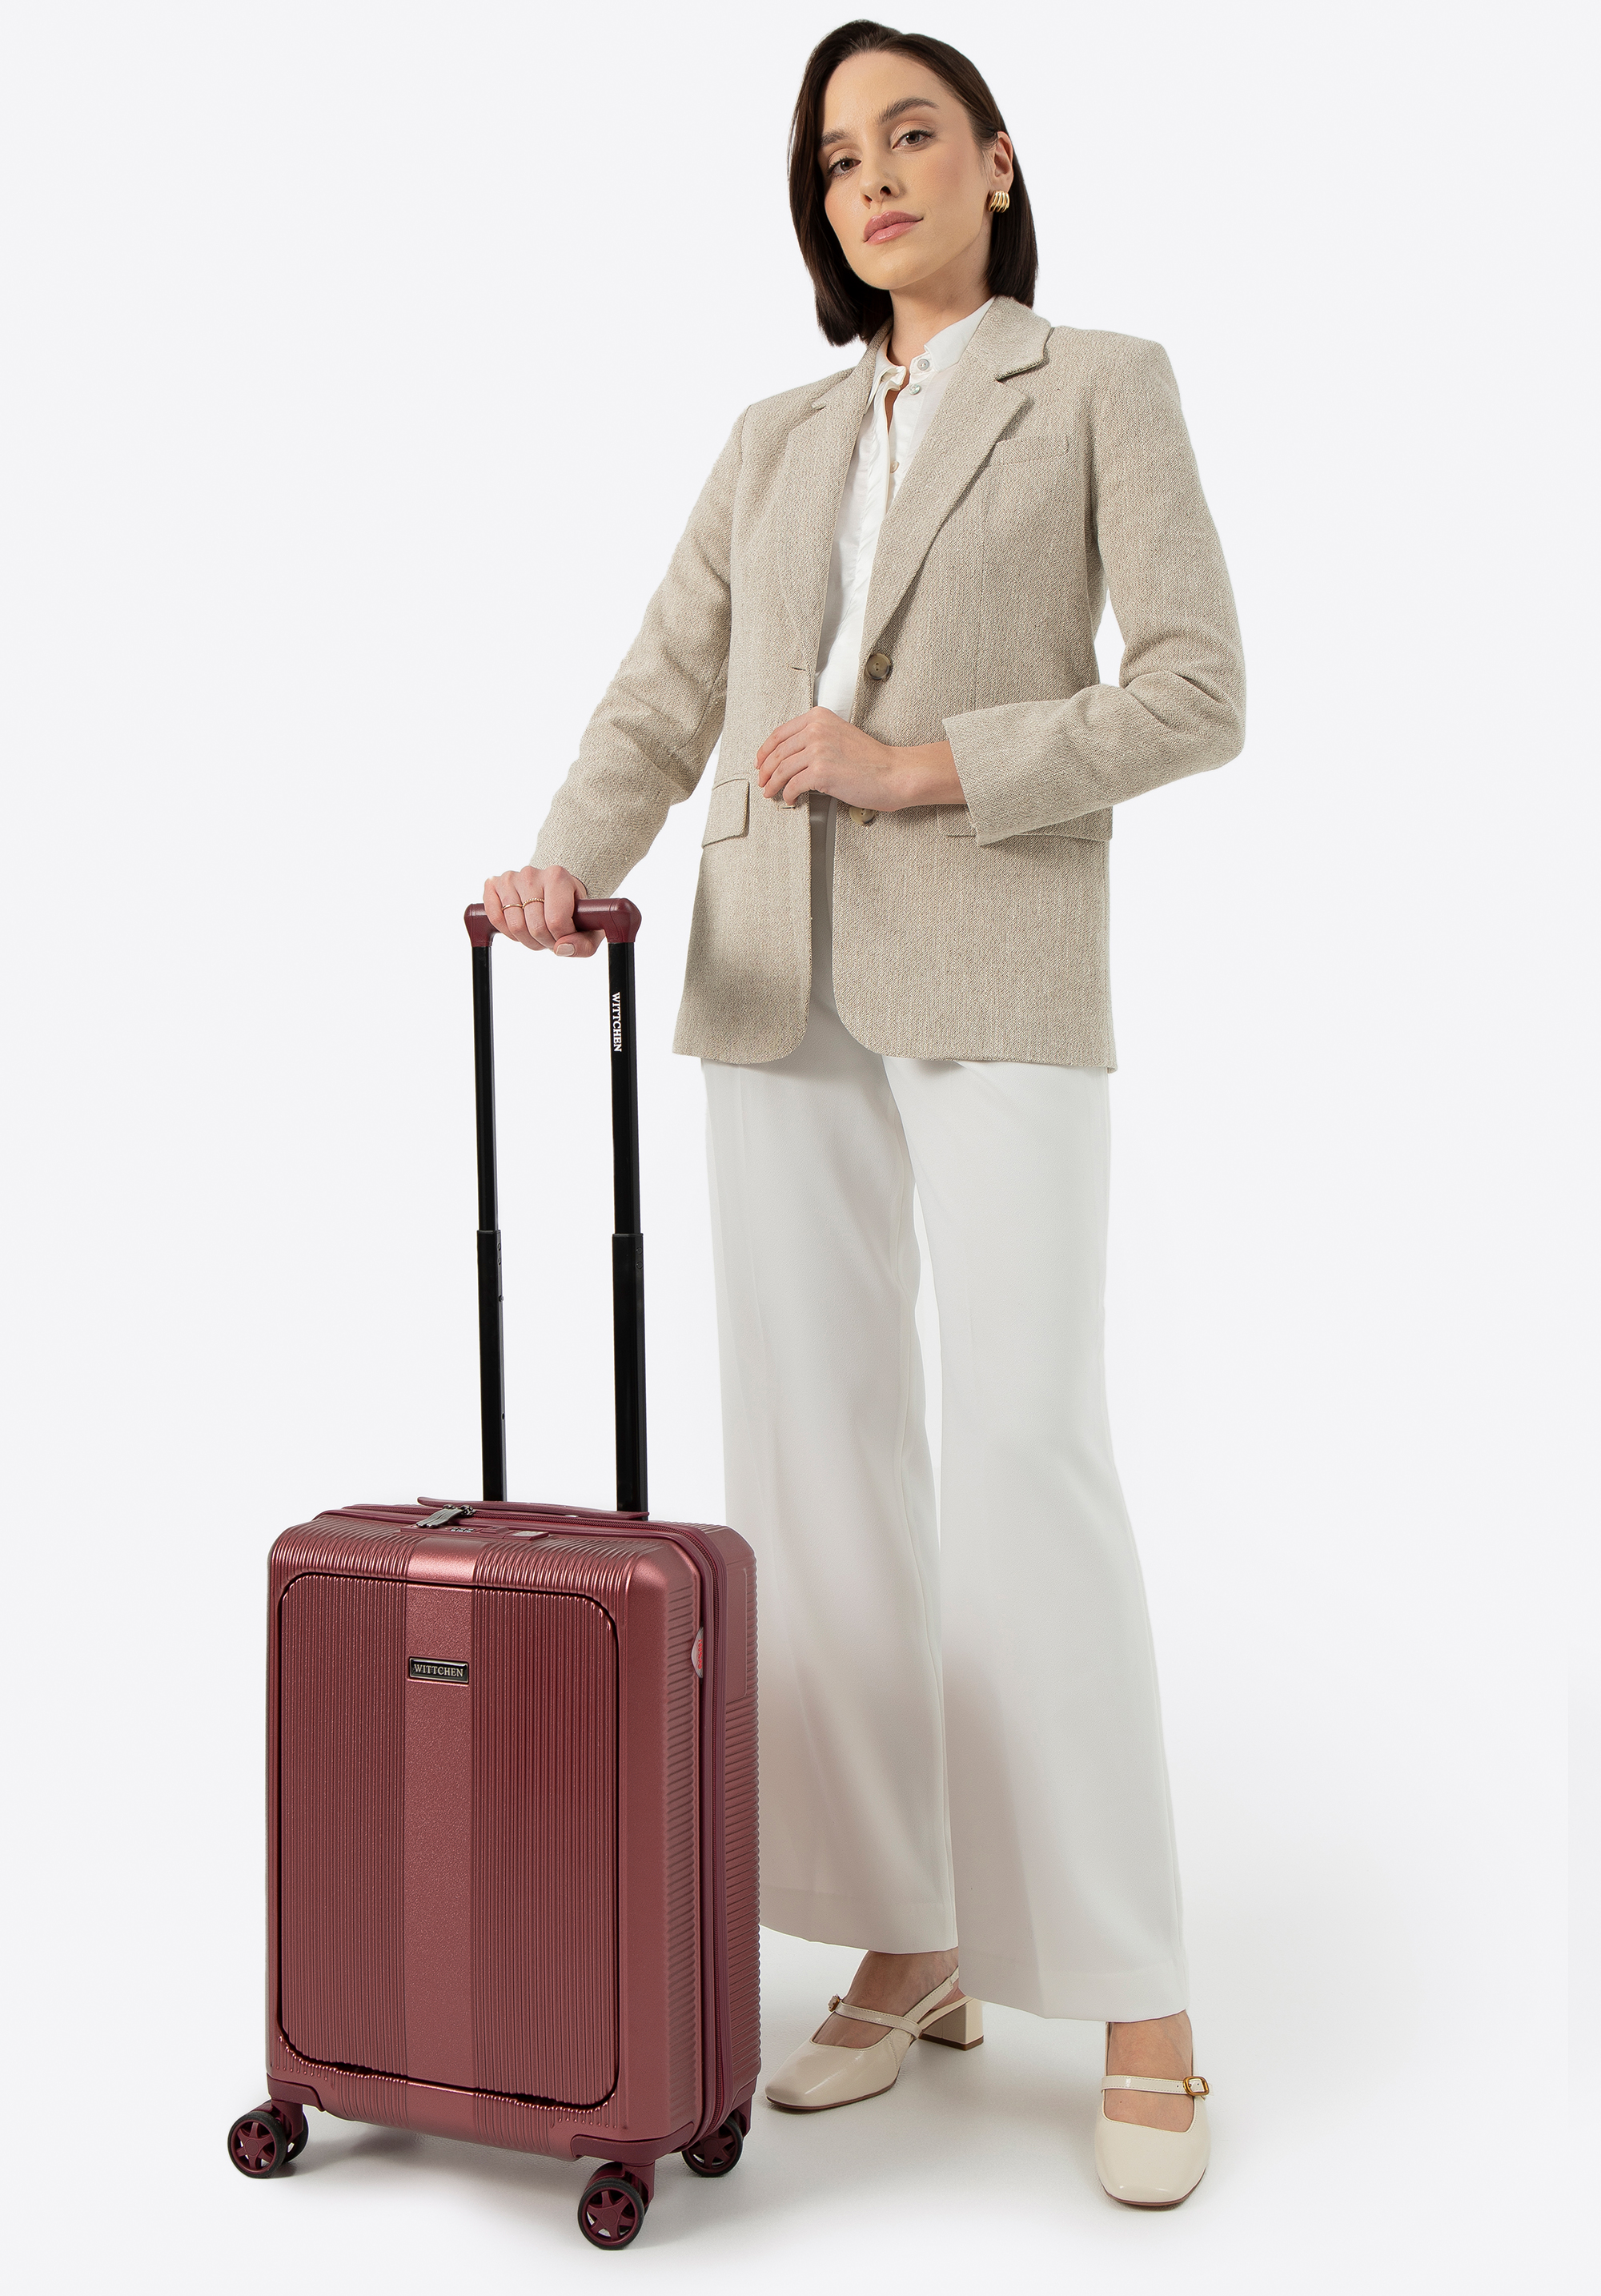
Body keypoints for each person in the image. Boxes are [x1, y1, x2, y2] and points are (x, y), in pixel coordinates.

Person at [485, 18, 1244, 2210]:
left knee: (1025, 1450)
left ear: (997, 163)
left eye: (915, 135)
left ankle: (1139, 1989)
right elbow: (668, 681)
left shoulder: (1099, 385)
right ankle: (910, 1939)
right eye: (838, 157)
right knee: (812, 1471)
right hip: (764, 967)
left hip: (992, 951)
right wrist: (566, 855)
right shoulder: (777, 435)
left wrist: (927, 768)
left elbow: (1198, 686)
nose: (876, 177)